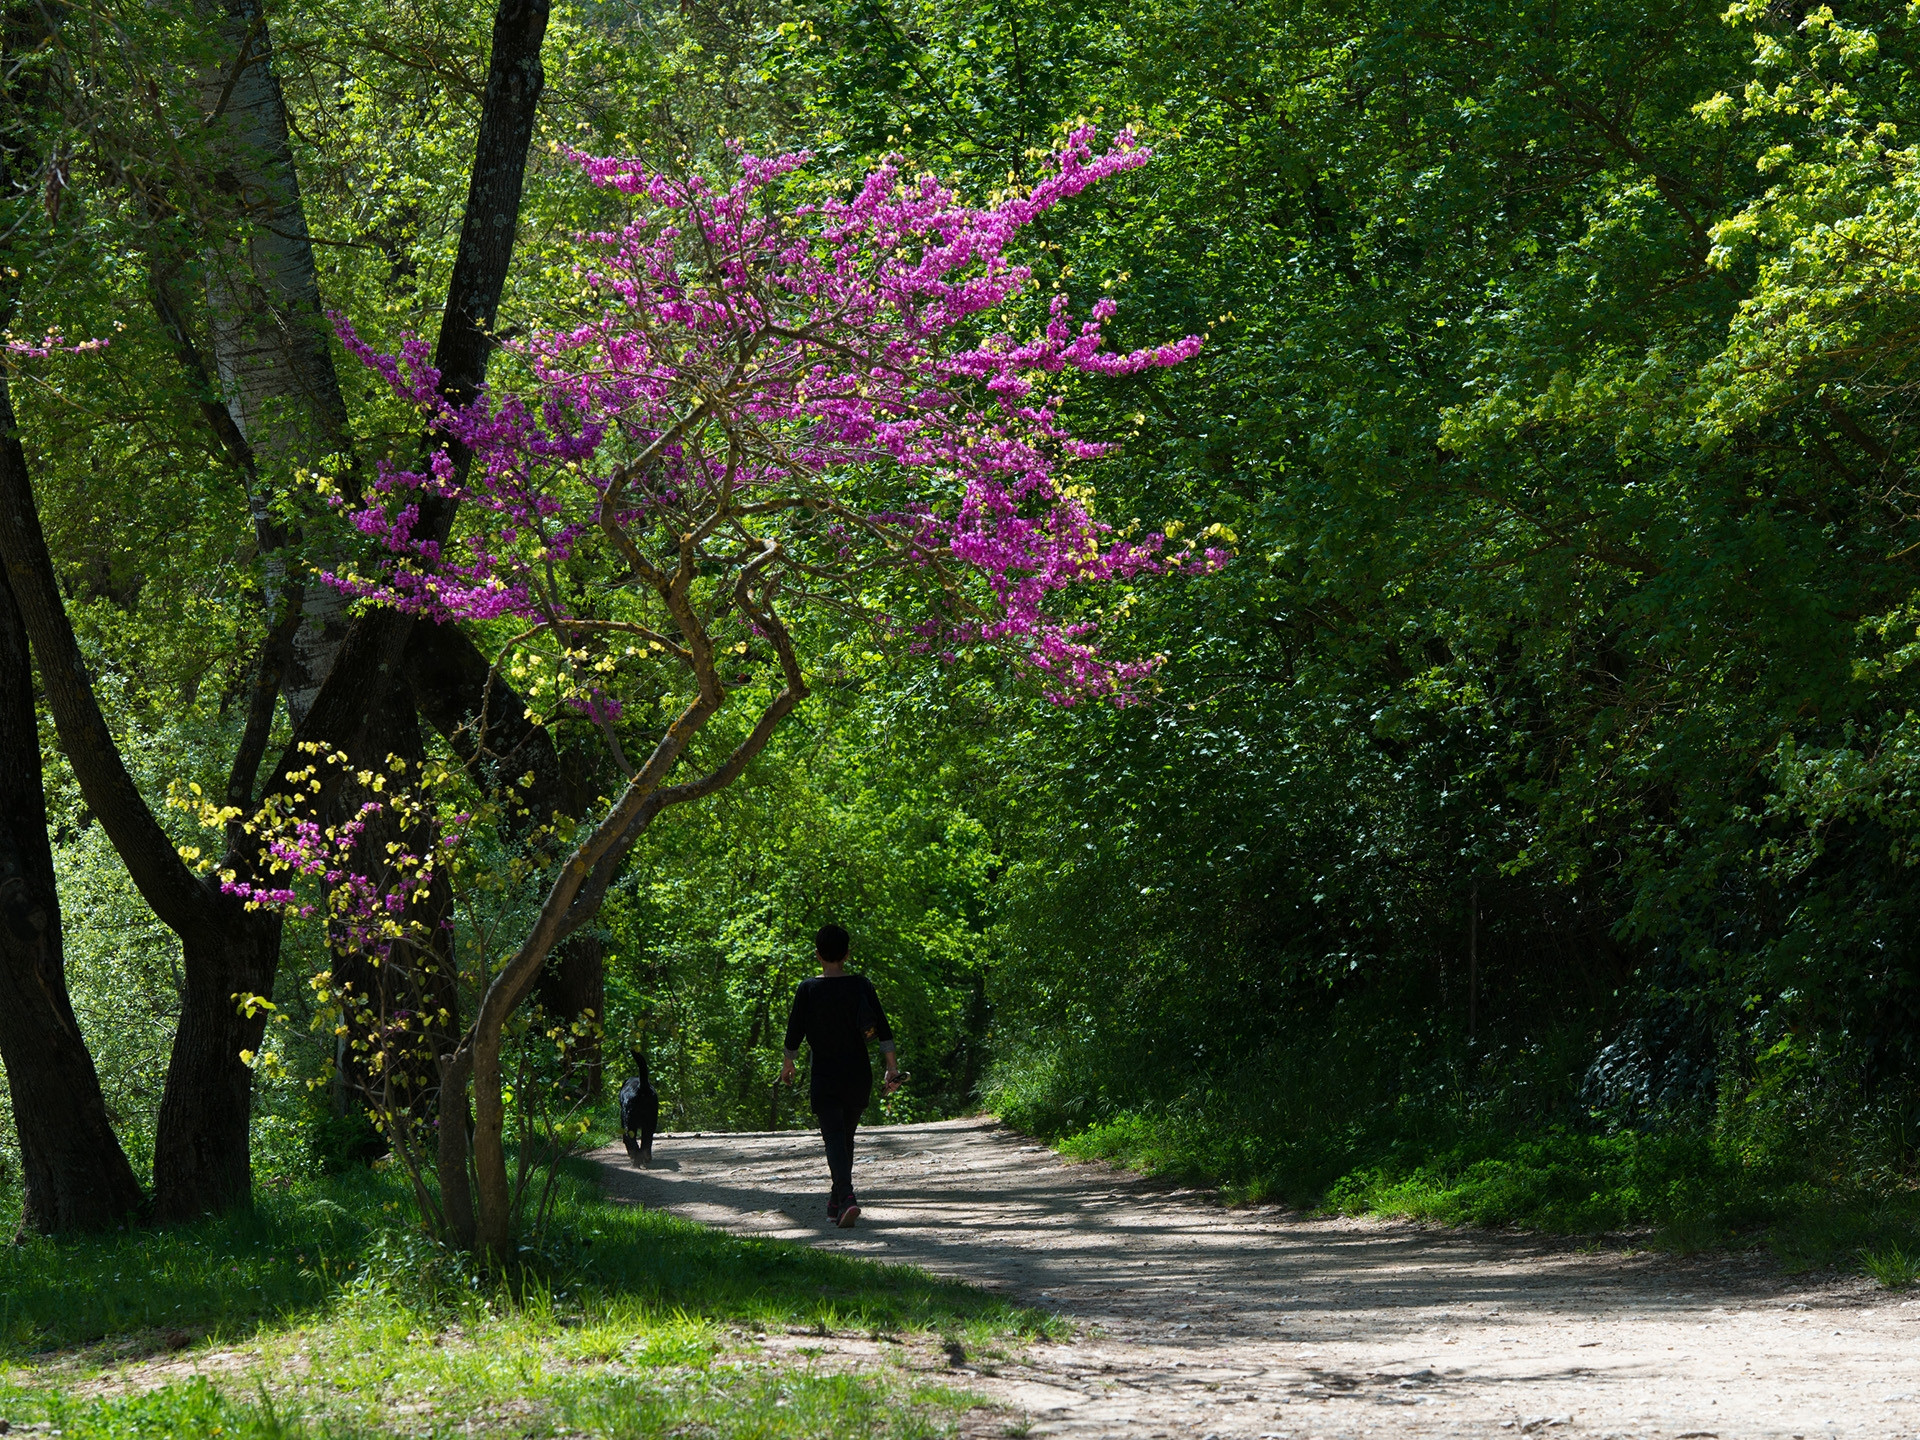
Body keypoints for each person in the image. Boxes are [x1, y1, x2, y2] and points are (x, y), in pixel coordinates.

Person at [779, 923, 899, 1227]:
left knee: (834, 1137)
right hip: (858, 1074)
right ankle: (836, 1201)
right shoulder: (862, 985)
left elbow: (794, 1032)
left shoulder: (808, 989)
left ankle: (846, 1197)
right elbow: (882, 1028)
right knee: (845, 1138)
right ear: (847, 953)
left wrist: (788, 1064)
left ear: (817, 954)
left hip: (825, 1074)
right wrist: (892, 1067)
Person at [618, 1048, 659, 1166]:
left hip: (631, 1100)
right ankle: (646, 1152)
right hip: (650, 1097)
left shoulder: (626, 1089)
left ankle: (635, 1154)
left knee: (629, 1130)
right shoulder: (651, 1090)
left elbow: (626, 1132)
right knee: (648, 1128)